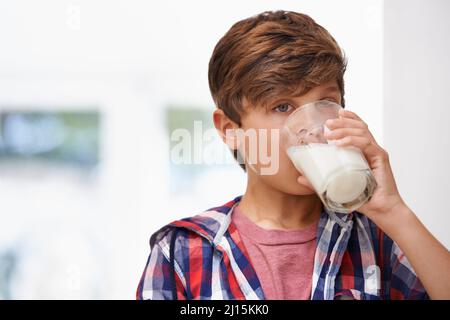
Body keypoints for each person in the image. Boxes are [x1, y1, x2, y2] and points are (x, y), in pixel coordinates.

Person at [136, 10, 450, 300]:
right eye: (282, 107)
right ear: (230, 129)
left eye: (325, 103)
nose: (312, 129)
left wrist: (393, 210)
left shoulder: (379, 240)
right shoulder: (181, 252)